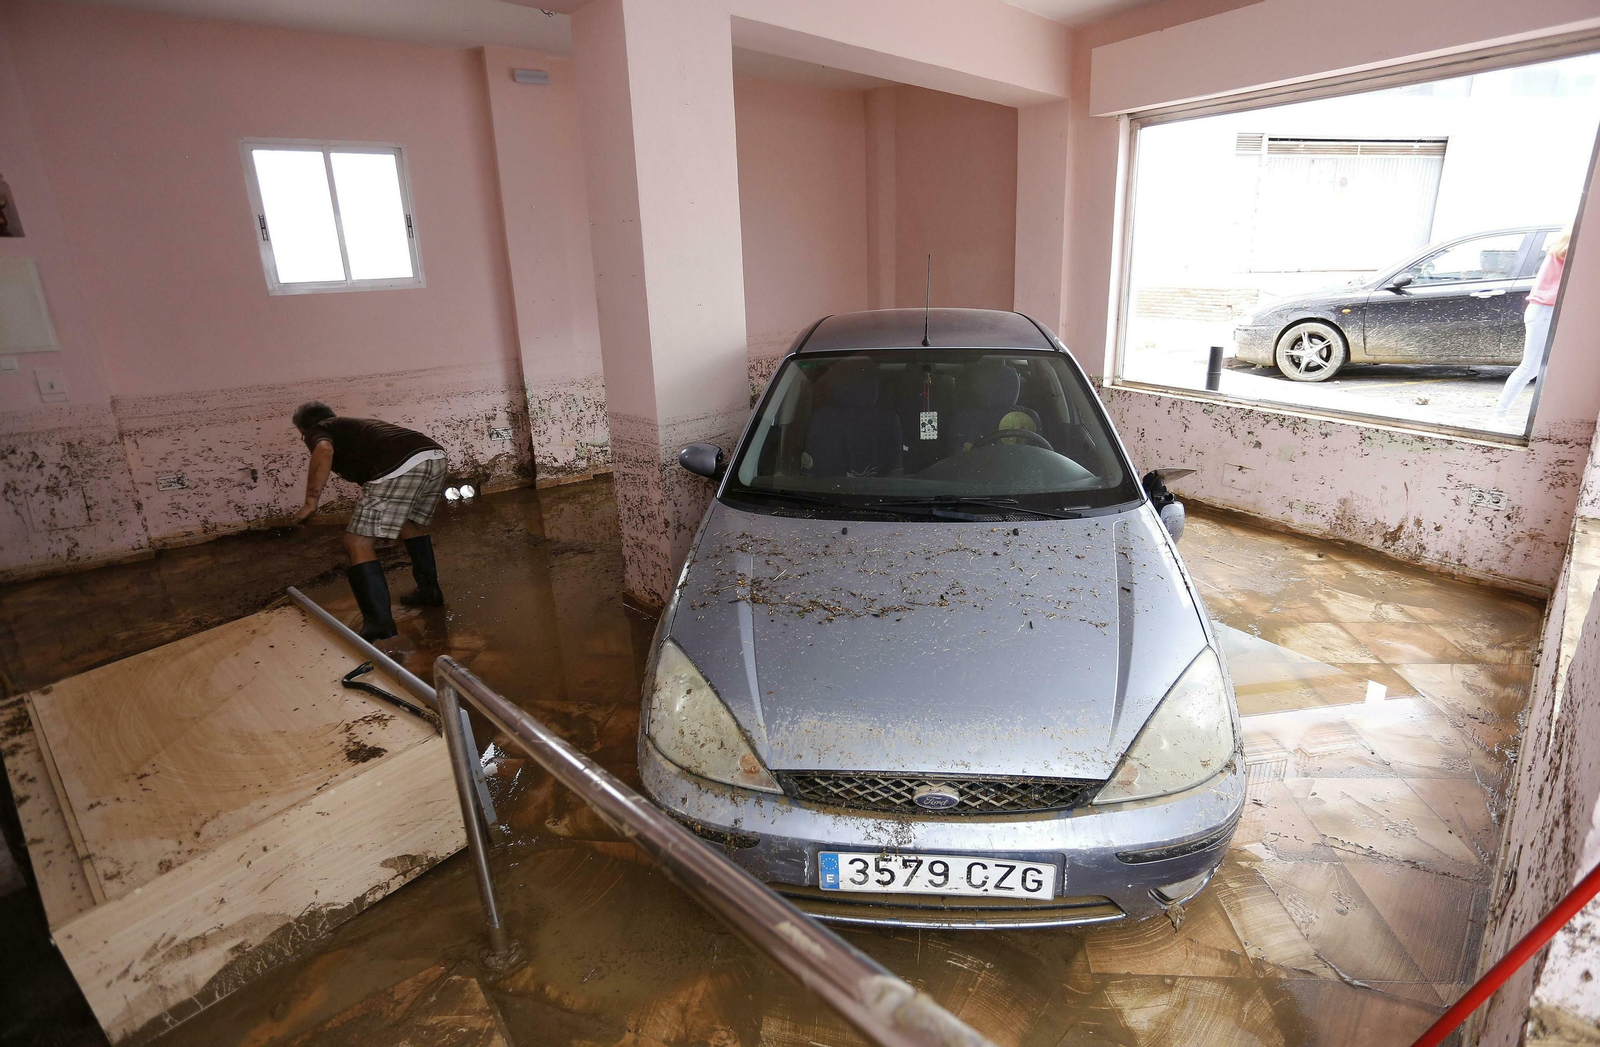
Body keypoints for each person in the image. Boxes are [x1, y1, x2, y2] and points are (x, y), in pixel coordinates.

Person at [290, 402, 448, 640]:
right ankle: (429, 591)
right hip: (433, 456)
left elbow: (323, 450)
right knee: (407, 522)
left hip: (400, 465)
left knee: (357, 542)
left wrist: (311, 502)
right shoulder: (353, 429)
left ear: (304, 428)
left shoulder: (318, 430)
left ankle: (379, 623)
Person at [1495, 230, 1570, 422]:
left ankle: (1503, 416)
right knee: (1530, 368)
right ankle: (1498, 417)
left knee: (1541, 368)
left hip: (1545, 310)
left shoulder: (1563, 245)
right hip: (1546, 310)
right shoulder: (1569, 249)